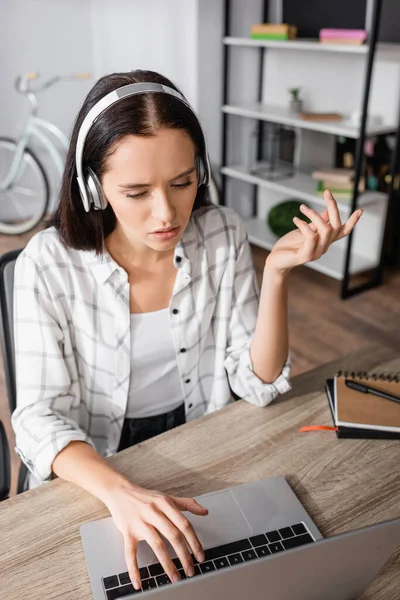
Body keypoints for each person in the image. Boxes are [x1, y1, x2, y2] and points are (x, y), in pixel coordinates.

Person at [12, 70, 363, 590]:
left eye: (182, 182)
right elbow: (38, 420)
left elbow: (257, 382)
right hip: (97, 458)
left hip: (203, 432)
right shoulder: (48, 264)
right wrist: (121, 493)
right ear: (93, 188)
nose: (167, 213)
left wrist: (277, 275)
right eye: (135, 192)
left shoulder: (221, 231)